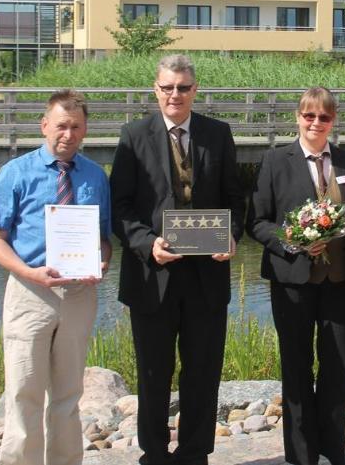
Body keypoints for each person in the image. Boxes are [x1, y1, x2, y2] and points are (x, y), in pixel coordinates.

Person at [110, 54, 245, 465]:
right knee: (152, 373)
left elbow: (236, 201)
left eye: (183, 87)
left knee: (202, 373)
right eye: (168, 87)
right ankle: (153, 453)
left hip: (206, 277)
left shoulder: (217, 134)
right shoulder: (133, 136)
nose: (175, 95)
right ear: (156, 89)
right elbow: (120, 206)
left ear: (194, 90)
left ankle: (194, 453)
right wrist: (147, 243)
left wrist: (233, 237)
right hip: (153, 276)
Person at [0, 89, 112, 465]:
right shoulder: (15, 173)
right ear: (44, 126)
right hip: (30, 292)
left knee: (69, 394)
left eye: (75, 127)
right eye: (60, 126)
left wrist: (101, 262)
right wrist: (29, 273)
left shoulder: (95, 176)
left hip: (78, 295)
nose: (67, 135)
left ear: (85, 130)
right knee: (24, 391)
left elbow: (104, 239)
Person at [247, 87, 345, 465]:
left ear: (333, 120)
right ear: (297, 117)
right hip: (292, 281)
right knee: (296, 366)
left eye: (324, 117)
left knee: (341, 365)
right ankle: (301, 455)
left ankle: (334, 449)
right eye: (309, 116)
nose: (316, 123)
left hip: (341, 282)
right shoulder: (277, 160)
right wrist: (292, 242)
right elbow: (256, 222)